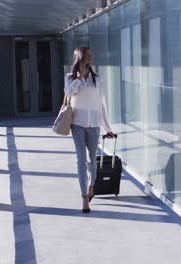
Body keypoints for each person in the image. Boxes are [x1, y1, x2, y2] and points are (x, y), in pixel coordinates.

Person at [64, 46, 115, 213]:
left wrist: (107, 128)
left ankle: (92, 185)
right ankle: (84, 198)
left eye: (90, 56)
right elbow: (69, 94)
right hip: (77, 124)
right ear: (79, 59)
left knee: (92, 160)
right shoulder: (70, 78)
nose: (90, 59)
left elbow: (101, 106)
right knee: (80, 159)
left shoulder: (97, 79)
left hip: (94, 125)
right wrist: (78, 77)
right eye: (86, 57)